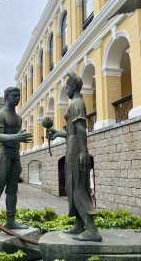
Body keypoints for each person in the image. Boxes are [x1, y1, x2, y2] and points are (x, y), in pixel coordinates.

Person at [47, 72, 102, 242]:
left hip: (76, 148)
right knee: (71, 186)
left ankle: (92, 230)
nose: (66, 89)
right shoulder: (73, 104)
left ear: (73, 87)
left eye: (67, 86)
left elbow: (80, 129)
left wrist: (84, 151)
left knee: (78, 186)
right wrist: (58, 133)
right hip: (72, 145)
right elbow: (71, 132)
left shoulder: (77, 103)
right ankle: (79, 224)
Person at [0, 87, 32, 234]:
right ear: (7, 96)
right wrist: (17, 137)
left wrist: (19, 137)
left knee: (12, 190)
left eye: (19, 95)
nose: (17, 98)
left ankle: (10, 221)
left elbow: (16, 136)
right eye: (14, 95)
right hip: (4, 155)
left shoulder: (19, 118)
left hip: (15, 155)